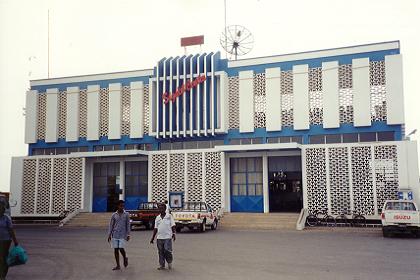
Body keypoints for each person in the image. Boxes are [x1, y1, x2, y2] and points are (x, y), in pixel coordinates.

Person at [150, 204, 176, 270]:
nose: (161, 210)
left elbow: (173, 225)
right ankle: (162, 265)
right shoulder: (157, 218)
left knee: (167, 250)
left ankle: (169, 262)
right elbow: (155, 228)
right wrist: (153, 238)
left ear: (165, 209)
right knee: (160, 251)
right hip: (159, 238)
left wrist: (174, 233)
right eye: (160, 208)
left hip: (167, 237)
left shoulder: (169, 216)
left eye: (162, 208)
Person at [107, 200, 130, 271]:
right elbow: (111, 225)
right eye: (120, 206)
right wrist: (109, 234)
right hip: (115, 234)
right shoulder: (114, 215)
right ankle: (118, 265)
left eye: (123, 206)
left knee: (121, 248)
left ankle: (125, 257)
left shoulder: (126, 214)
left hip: (123, 234)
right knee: (116, 249)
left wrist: (128, 234)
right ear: (117, 206)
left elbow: (128, 225)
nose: (122, 207)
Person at [0, 204, 18, 280]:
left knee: (2, 257)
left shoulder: (6, 218)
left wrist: (15, 241)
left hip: (5, 240)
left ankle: (3, 275)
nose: (2, 210)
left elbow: (11, 230)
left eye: (3, 209)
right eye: (1, 209)